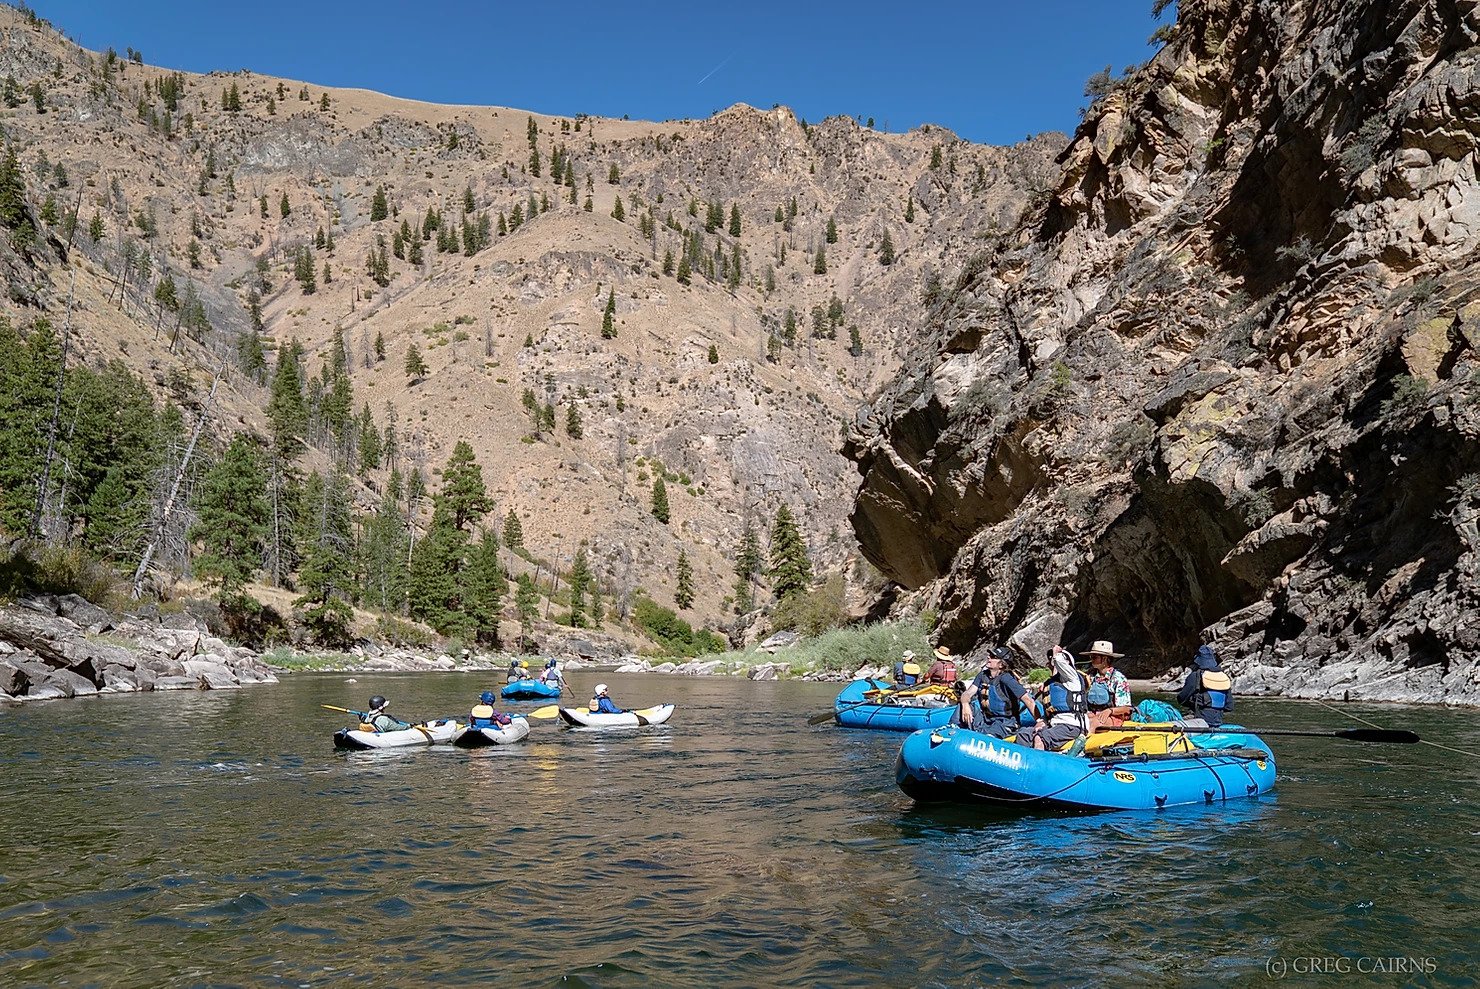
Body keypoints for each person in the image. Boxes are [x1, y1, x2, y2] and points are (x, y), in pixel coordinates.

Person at [1014, 646, 1090, 751]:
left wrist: (1057, 653)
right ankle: (1020, 763)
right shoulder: (1052, 683)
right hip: (1055, 724)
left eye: (1053, 659)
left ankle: (1037, 765)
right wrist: (1042, 721)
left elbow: (1059, 661)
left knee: (1040, 738)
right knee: (1024, 734)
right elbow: (1050, 710)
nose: (1051, 662)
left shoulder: (1073, 679)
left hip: (1073, 726)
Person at [958, 646, 1038, 738]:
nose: (988, 657)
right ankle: (952, 730)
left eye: (993, 657)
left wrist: (1040, 721)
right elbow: (968, 693)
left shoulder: (1007, 679)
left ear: (1001, 664)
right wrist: (965, 704)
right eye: (990, 655)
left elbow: (1028, 700)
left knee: (990, 735)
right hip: (986, 720)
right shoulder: (982, 675)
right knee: (962, 706)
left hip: (1005, 723)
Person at [1177, 644, 1234, 727]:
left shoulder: (1196, 675)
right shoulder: (1223, 677)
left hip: (1198, 720)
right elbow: (1229, 707)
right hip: (1218, 721)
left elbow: (1181, 698)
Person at [1082, 640, 1133, 726]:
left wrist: (1109, 711)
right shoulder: (1090, 676)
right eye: (1091, 657)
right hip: (1093, 713)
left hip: (1114, 716)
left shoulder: (1118, 679)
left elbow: (1127, 708)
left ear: (1105, 659)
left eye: (1094, 657)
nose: (1091, 660)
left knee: (1092, 723)